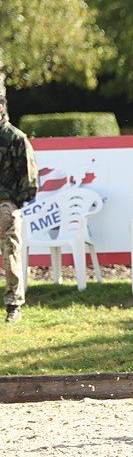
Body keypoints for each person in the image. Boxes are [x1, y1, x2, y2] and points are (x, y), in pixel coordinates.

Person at [0, 95, 38, 323]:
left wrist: (15, 203)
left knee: (11, 253)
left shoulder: (15, 138)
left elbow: (29, 178)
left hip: (5, 203)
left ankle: (14, 305)